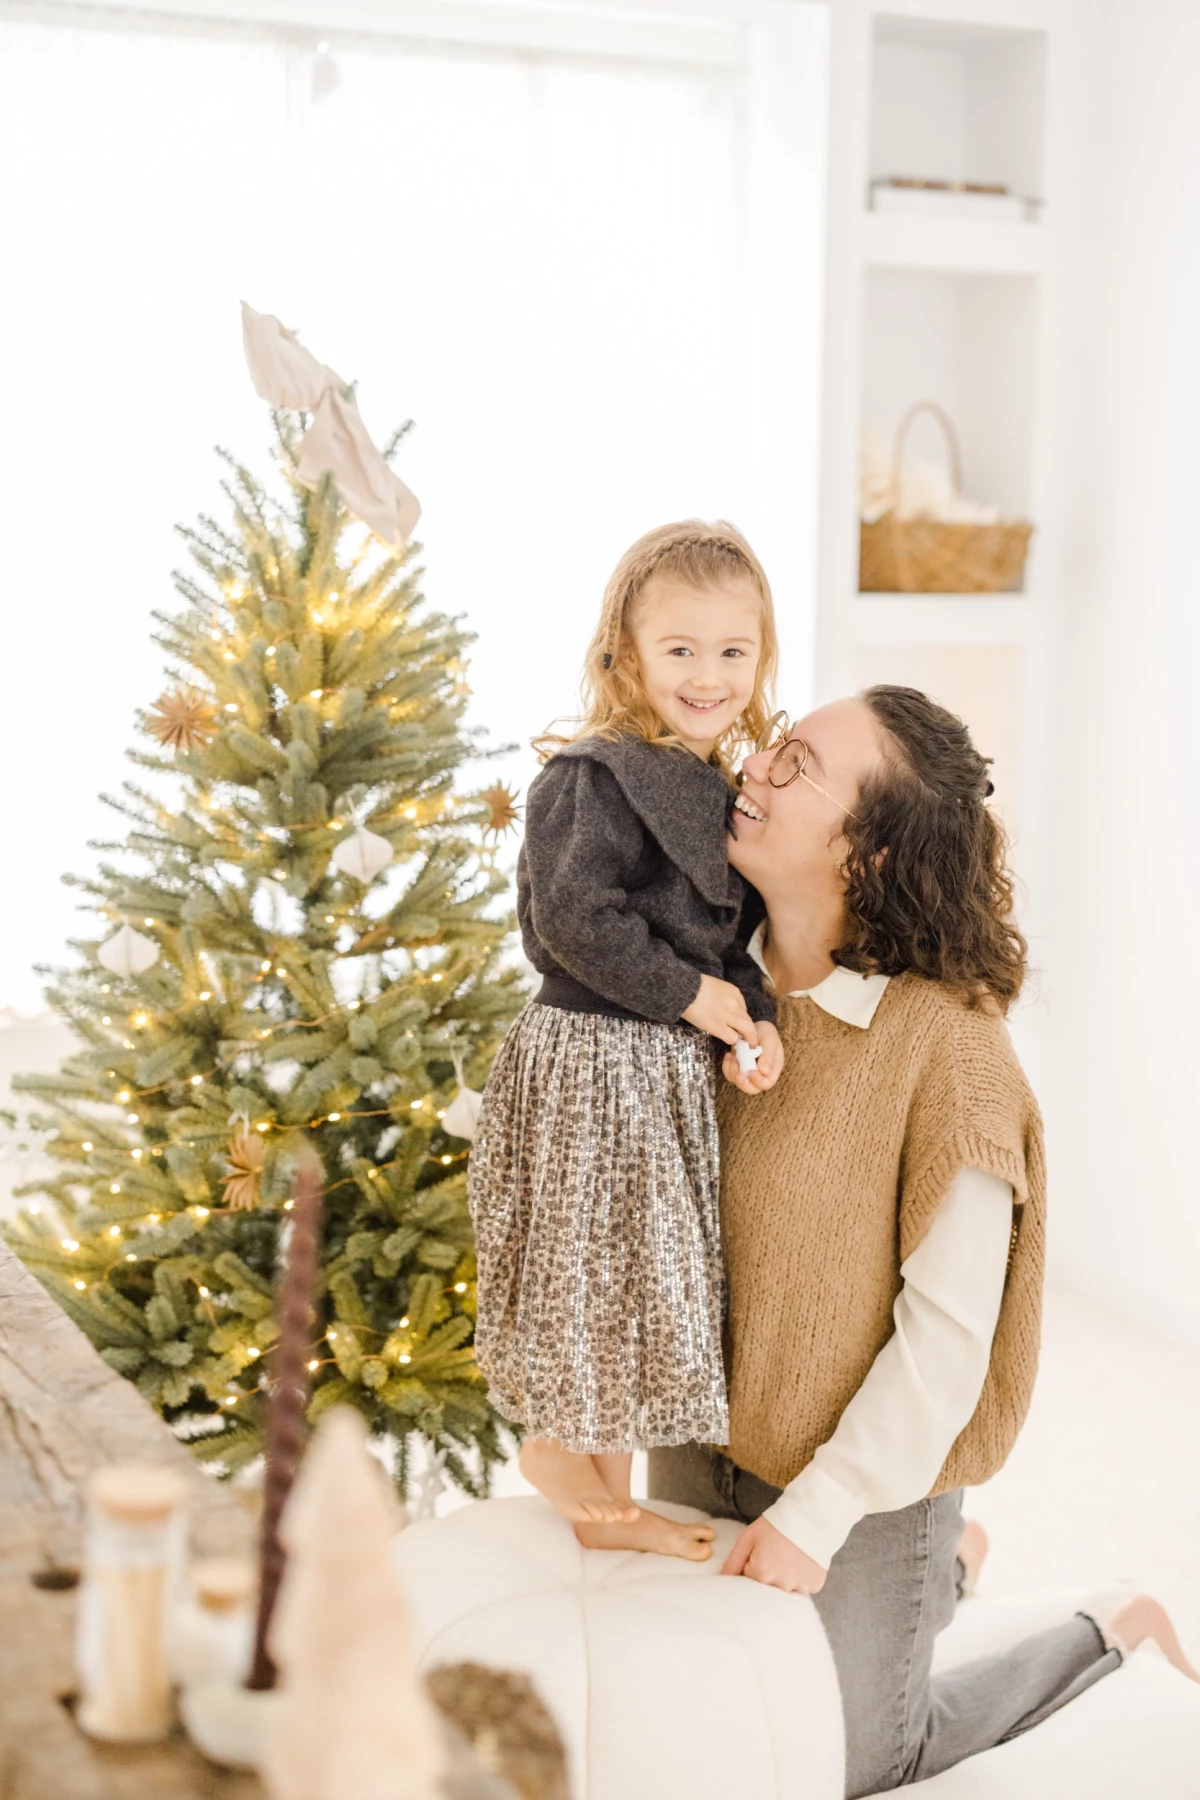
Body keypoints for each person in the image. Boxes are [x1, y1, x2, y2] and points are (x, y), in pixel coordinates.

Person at [649, 686, 1198, 1795]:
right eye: (774, 748)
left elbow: (943, 1351)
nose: (752, 767)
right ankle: (947, 1577)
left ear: (873, 858)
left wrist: (813, 1520)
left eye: (797, 766)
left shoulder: (951, 1060)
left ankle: (1108, 1632)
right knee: (701, 1723)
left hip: (857, 1478)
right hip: (702, 1435)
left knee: (852, 1762)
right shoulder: (700, 988)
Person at [468, 520, 785, 1562]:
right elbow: (573, 921)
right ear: (627, 656)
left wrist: (753, 1021)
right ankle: (564, 1452)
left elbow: (728, 941)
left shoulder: (719, 789)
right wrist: (690, 995)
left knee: (635, 1273)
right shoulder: (594, 777)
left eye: (732, 652)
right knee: (582, 1260)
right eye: (681, 650)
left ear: (761, 656)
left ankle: (609, 1511)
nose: (708, 675)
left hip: (660, 1068)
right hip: (592, 1057)